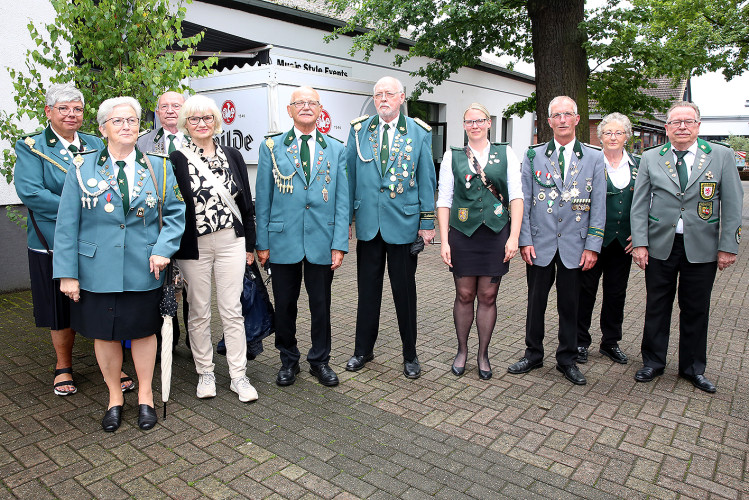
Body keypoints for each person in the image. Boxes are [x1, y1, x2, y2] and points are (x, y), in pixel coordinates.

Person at [53, 96, 185, 432]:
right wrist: (67, 273)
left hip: (144, 268)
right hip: (97, 270)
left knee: (143, 332)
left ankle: (145, 396)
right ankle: (114, 397)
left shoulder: (160, 166)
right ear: (102, 129)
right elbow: (67, 224)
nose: (126, 126)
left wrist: (163, 248)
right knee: (105, 335)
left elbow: (174, 214)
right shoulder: (82, 167)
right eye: (118, 121)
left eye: (132, 121)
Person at [14, 83, 135, 397]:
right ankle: (63, 365)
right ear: (49, 112)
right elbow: (31, 192)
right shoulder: (32, 146)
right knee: (59, 306)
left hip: (97, 240)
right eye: (63, 108)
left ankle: (110, 364)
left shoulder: (97, 142)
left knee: (102, 301)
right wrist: (81, 208)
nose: (71, 114)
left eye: (77, 109)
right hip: (54, 240)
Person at [630, 101, 743, 393]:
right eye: (676, 122)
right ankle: (653, 362)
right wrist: (640, 243)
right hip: (660, 246)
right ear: (666, 128)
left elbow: (732, 204)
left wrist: (728, 245)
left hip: (702, 246)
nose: (682, 127)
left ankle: (693, 368)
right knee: (657, 306)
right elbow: (639, 204)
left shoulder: (721, 156)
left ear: (698, 126)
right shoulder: (651, 157)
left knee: (696, 309)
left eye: (688, 121)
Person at [508, 96, 605, 386]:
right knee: (535, 302)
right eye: (556, 115)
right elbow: (523, 200)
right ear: (548, 121)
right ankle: (533, 353)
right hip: (540, 243)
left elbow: (598, 205)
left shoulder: (594, 157)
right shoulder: (533, 155)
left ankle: (567, 359)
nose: (562, 120)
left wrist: (592, 246)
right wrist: (524, 240)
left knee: (570, 305)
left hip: (575, 246)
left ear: (577, 119)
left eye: (568, 114)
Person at [255, 86, 349, 387]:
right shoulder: (271, 147)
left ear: (320, 110)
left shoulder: (336, 149)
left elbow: (342, 201)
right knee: (285, 304)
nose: (306, 106)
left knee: (321, 305)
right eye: (299, 102)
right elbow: (264, 197)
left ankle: (320, 361)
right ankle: (288, 360)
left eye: (312, 103)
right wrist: (263, 243)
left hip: (322, 240)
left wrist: (339, 243)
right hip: (283, 241)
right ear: (289, 110)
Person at [345, 76, 436, 379]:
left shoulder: (418, 132)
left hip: (403, 225)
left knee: (404, 292)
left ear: (401, 97)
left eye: (389, 94)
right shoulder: (359, 131)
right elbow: (349, 179)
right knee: (367, 292)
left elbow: (426, 180)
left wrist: (426, 223)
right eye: (378, 94)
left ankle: (410, 354)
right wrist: (346, 223)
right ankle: (362, 350)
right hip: (369, 226)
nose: (383, 99)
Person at [171, 95, 258, 402]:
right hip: (194, 246)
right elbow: (172, 207)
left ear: (216, 121)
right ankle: (205, 372)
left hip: (230, 241)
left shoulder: (232, 154)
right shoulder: (177, 158)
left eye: (207, 118)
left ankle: (238, 375)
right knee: (199, 311)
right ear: (185, 123)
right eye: (194, 119)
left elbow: (246, 202)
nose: (201, 124)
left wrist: (250, 243)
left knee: (232, 310)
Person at [436, 103, 523, 380]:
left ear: (488, 123)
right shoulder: (453, 156)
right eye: (469, 121)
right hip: (463, 233)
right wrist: (444, 241)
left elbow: (517, 197)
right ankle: (462, 350)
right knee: (464, 295)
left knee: (488, 296)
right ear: (464, 126)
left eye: (480, 120)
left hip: (496, 234)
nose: (474, 125)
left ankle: (482, 354)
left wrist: (514, 237)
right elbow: (444, 199)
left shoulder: (505, 152)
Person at [576, 113, 639, 365]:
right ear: (600, 137)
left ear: (627, 137)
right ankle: (580, 341)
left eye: (619, 133)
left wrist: (641, 232)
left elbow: (647, 201)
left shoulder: (638, 165)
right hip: (593, 241)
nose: (613, 137)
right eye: (608, 133)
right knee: (585, 291)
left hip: (623, 241)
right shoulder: (589, 163)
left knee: (616, 293)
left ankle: (610, 342)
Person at [138, 91, 189, 353]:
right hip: (160, 224)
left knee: (192, 286)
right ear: (157, 113)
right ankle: (165, 340)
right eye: (164, 107)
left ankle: (195, 342)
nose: (170, 111)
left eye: (176, 106)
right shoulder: (143, 142)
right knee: (163, 282)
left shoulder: (197, 138)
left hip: (194, 224)